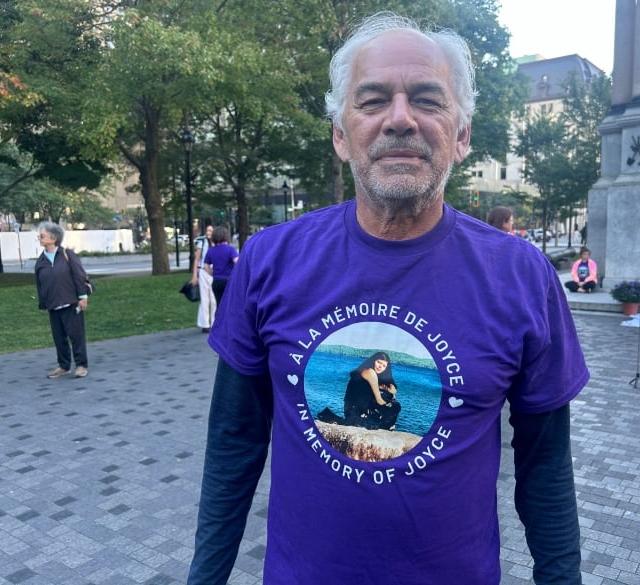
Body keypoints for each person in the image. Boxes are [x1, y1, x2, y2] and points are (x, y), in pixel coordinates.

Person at [188, 12, 588, 585]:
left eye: (427, 99)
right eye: (373, 101)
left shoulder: (521, 276)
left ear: (462, 134)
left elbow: (546, 466)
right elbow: (234, 442)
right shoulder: (269, 260)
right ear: (339, 134)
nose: (400, 119)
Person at [34, 221, 90, 379]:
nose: (39, 238)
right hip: (53, 305)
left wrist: (82, 297)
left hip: (71, 302)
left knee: (76, 336)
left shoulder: (66, 254)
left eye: (42, 235)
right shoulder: (41, 261)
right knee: (59, 338)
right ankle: (64, 366)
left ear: (53, 238)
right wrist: (43, 303)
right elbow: (40, 284)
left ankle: (81, 365)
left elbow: (79, 275)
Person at [342, 351, 401, 430]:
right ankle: (386, 428)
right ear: (373, 360)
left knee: (389, 398)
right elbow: (379, 401)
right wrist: (390, 407)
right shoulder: (369, 372)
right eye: (379, 362)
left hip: (353, 411)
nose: (380, 366)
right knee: (395, 406)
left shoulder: (367, 373)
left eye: (384, 366)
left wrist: (387, 390)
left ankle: (385, 426)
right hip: (356, 414)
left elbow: (392, 388)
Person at [202, 225, 238, 308]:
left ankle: (218, 320)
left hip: (216, 281)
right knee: (230, 306)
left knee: (219, 305)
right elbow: (237, 262)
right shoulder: (230, 249)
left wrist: (212, 273)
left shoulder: (211, 250)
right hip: (228, 281)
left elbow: (205, 266)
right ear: (226, 236)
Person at [190, 224, 217, 333]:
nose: (209, 233)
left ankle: (214, 322)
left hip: (214, 271)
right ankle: (204, 324)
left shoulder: (217, 243)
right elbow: (197, 259)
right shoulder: (202, 242)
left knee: (214, 299)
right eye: (207, 230)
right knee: (205, 299)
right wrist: (194, 275)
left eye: (211, 230)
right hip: (203, 271)